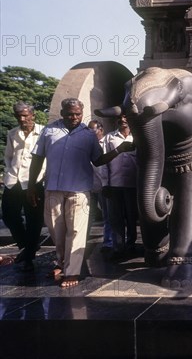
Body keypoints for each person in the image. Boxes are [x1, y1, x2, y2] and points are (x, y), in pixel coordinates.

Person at [27, 98, 133, 288]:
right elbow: (37, 157)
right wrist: (32, 185)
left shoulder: (88, 135)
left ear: (82, 113)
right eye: (69, 113)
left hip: (79, 190)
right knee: (56, 231)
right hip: (53, 188)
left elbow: (98, 160)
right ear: (62, 112)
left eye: (77, 114)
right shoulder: (49, 131)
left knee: (76, 231)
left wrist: (118, 150)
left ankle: (73, 271)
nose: (73, 117)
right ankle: (62, 264)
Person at [1, 101, 46, 272]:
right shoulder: (12, 133)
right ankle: (27, 246)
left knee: (34, 218)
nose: (22, 119)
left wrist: (41, 179)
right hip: (14, 181)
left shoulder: (43, 132)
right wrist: (7, 174)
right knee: (9, 215)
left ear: (32, 115)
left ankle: (28, 254)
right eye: (18, 115)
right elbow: (9, 157)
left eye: (25, 115)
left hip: (34, 182)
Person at [102, 113, 138, 260]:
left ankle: (131, 245)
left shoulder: (138, 137)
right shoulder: (109, 138)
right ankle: (118, 248)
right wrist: (105, 184)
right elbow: (104, 162)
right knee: (115, 219)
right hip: (114, 185)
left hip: (133, 185)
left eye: (126, 117)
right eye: (120, 118)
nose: (123, 120)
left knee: (132, 217)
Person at [88, 120, 112, 252]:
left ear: (101, 130)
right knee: (88, 216)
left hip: (103, 186)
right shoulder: (88, 145)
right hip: (90, 186)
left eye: (93, 131)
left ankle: (108, 242)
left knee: (107, 215)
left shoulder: (107, 143)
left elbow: (104, 167)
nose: (90, 134)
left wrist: (106, 184)